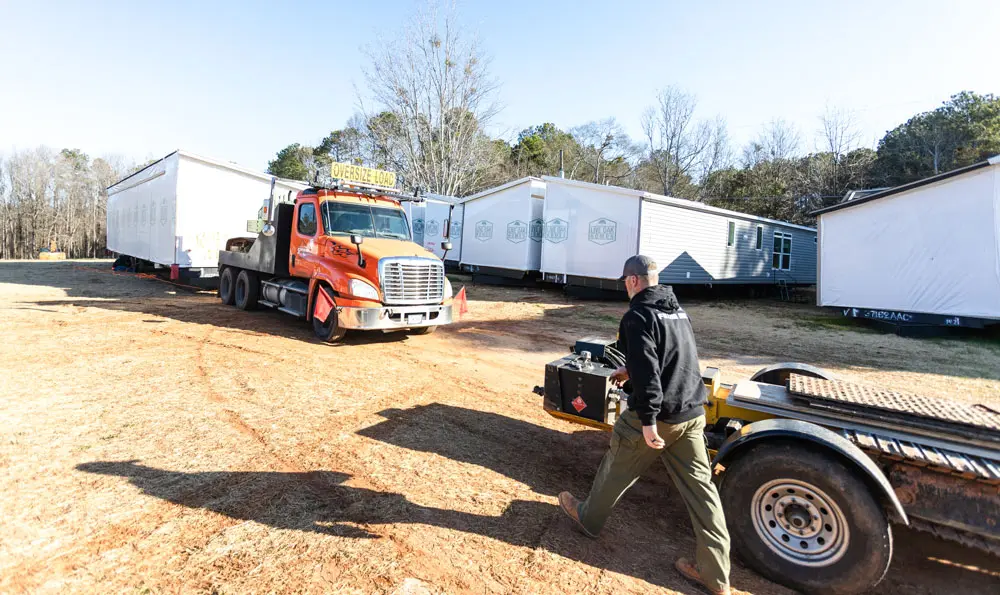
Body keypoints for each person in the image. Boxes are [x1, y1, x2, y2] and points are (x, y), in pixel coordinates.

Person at [558, 255, 734, 595]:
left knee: (616, 466)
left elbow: (652, 375)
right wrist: (629, 370)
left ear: (633, 281)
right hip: (692, 412)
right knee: (703, 495)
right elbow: (671, 357)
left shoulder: (637, 316)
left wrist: (649, 422)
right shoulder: (675, 309)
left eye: (625, 281)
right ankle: (716, 576)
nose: (625, 286)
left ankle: (588, 518)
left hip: (658, 417)